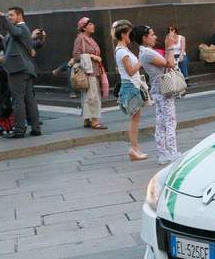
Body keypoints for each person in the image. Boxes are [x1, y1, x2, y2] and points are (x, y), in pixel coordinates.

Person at [0, 7, 42, 138]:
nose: (9, 17)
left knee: (18, 100)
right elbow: (14, 48)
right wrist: (3, 58)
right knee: (29, 100)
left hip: (18, 70)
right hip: (25, 69)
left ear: (20, 16)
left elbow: (13, 32)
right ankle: (35, 128)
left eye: (11, 15)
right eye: (8, 15)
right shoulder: (20, 29)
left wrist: (1, 16)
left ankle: (19, 130)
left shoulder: (21, 28)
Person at [134, 24, 180, 165]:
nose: (155, 37)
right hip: (163, 89)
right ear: (144, 37)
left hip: (158, 89)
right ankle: (172, 153)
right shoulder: (148, 53)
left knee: (161, 123)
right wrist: (170, 46)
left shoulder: (145, 52)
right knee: (170, 121)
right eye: (152, 34)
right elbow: (170, 63)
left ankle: (163, 154)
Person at [113, 20, 148, 162]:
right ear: (123, 34)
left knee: (135, 120)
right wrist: (141, 61)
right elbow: (131, 71)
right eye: (129, 34)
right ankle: (133, 149)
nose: (131, 37)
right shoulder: (122, 52)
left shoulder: (121, 50)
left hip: (130, 86)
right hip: (130, 87)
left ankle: (135, 148)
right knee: (135, 120)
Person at [72, 17, 107, 130]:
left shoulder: (89, 38)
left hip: (94, 70)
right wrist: (92, 56)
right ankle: (95, 121)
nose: (93, 26)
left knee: (89, 95)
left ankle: (87, 119)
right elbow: (76, 56)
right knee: (93, 96)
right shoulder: (80, 39)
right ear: (84, 27)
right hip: (88, 72)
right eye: (90, 24)